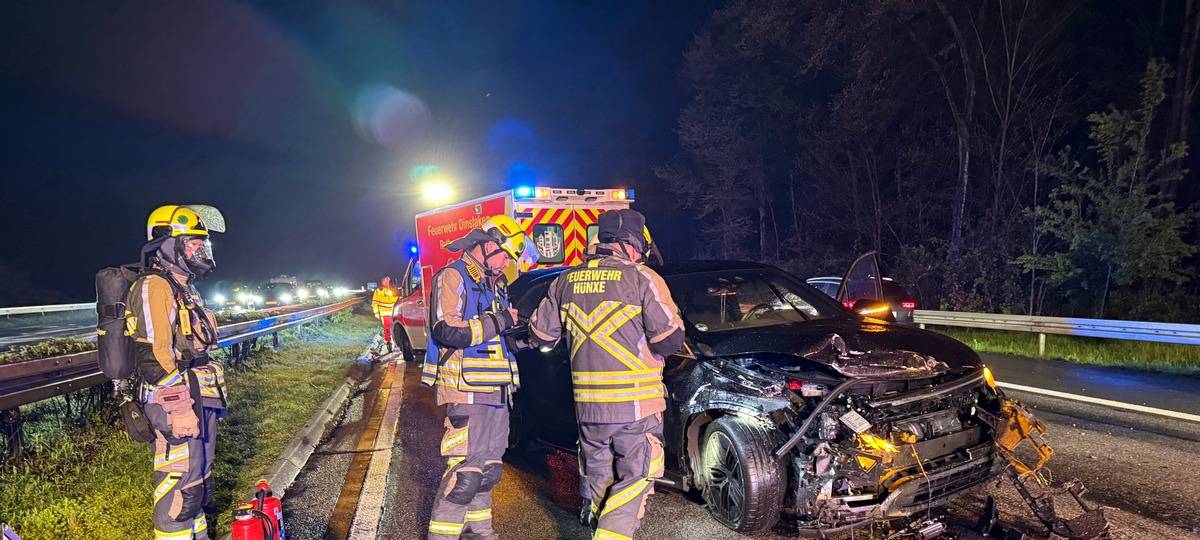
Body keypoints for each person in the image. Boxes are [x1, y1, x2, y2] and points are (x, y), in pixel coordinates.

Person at [528, 209, 684, 540]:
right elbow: (669, 341)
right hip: (635, 406)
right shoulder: (642, 278)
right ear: (631, 244)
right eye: (641, 249)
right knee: (639, 475)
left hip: (588, 408)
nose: (641, 255)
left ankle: (597, 522)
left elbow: (542, 337)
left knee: (597, 469)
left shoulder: (563, 281)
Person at [421, 215, 530, 540]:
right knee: (464, 476)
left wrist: (530, 337)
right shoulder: (452, 277)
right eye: (503, 255)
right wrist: (499, 320)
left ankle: (481, 533)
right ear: (485, 245)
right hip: (465, 392)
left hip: (496, 394)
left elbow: (499, 339)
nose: (505, 264)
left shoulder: (496, 286)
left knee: (488, 473)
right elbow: (446, 329)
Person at [128, 205, 227, 540]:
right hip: (176, 405)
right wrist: (180, 407)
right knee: (178, 494)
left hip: (198, 399)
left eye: (203, 244)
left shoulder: (184, 287)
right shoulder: (154, 286)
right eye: (192, 243)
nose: (200, 250)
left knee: (198, 487)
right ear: (167, 244)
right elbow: (153, 356)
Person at [372, 276, 400, 353]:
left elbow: (398, 299)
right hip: (384, 314)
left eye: (388, 280)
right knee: (387, 329)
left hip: (394, 313)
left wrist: (396, 290)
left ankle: (396, 342)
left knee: (395, 328)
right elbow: (374, 303)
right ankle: (388, 342)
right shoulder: (378, 291)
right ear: (382, 282)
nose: (387, 282)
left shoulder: (392, 290)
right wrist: (376, 313)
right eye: (386, 280)